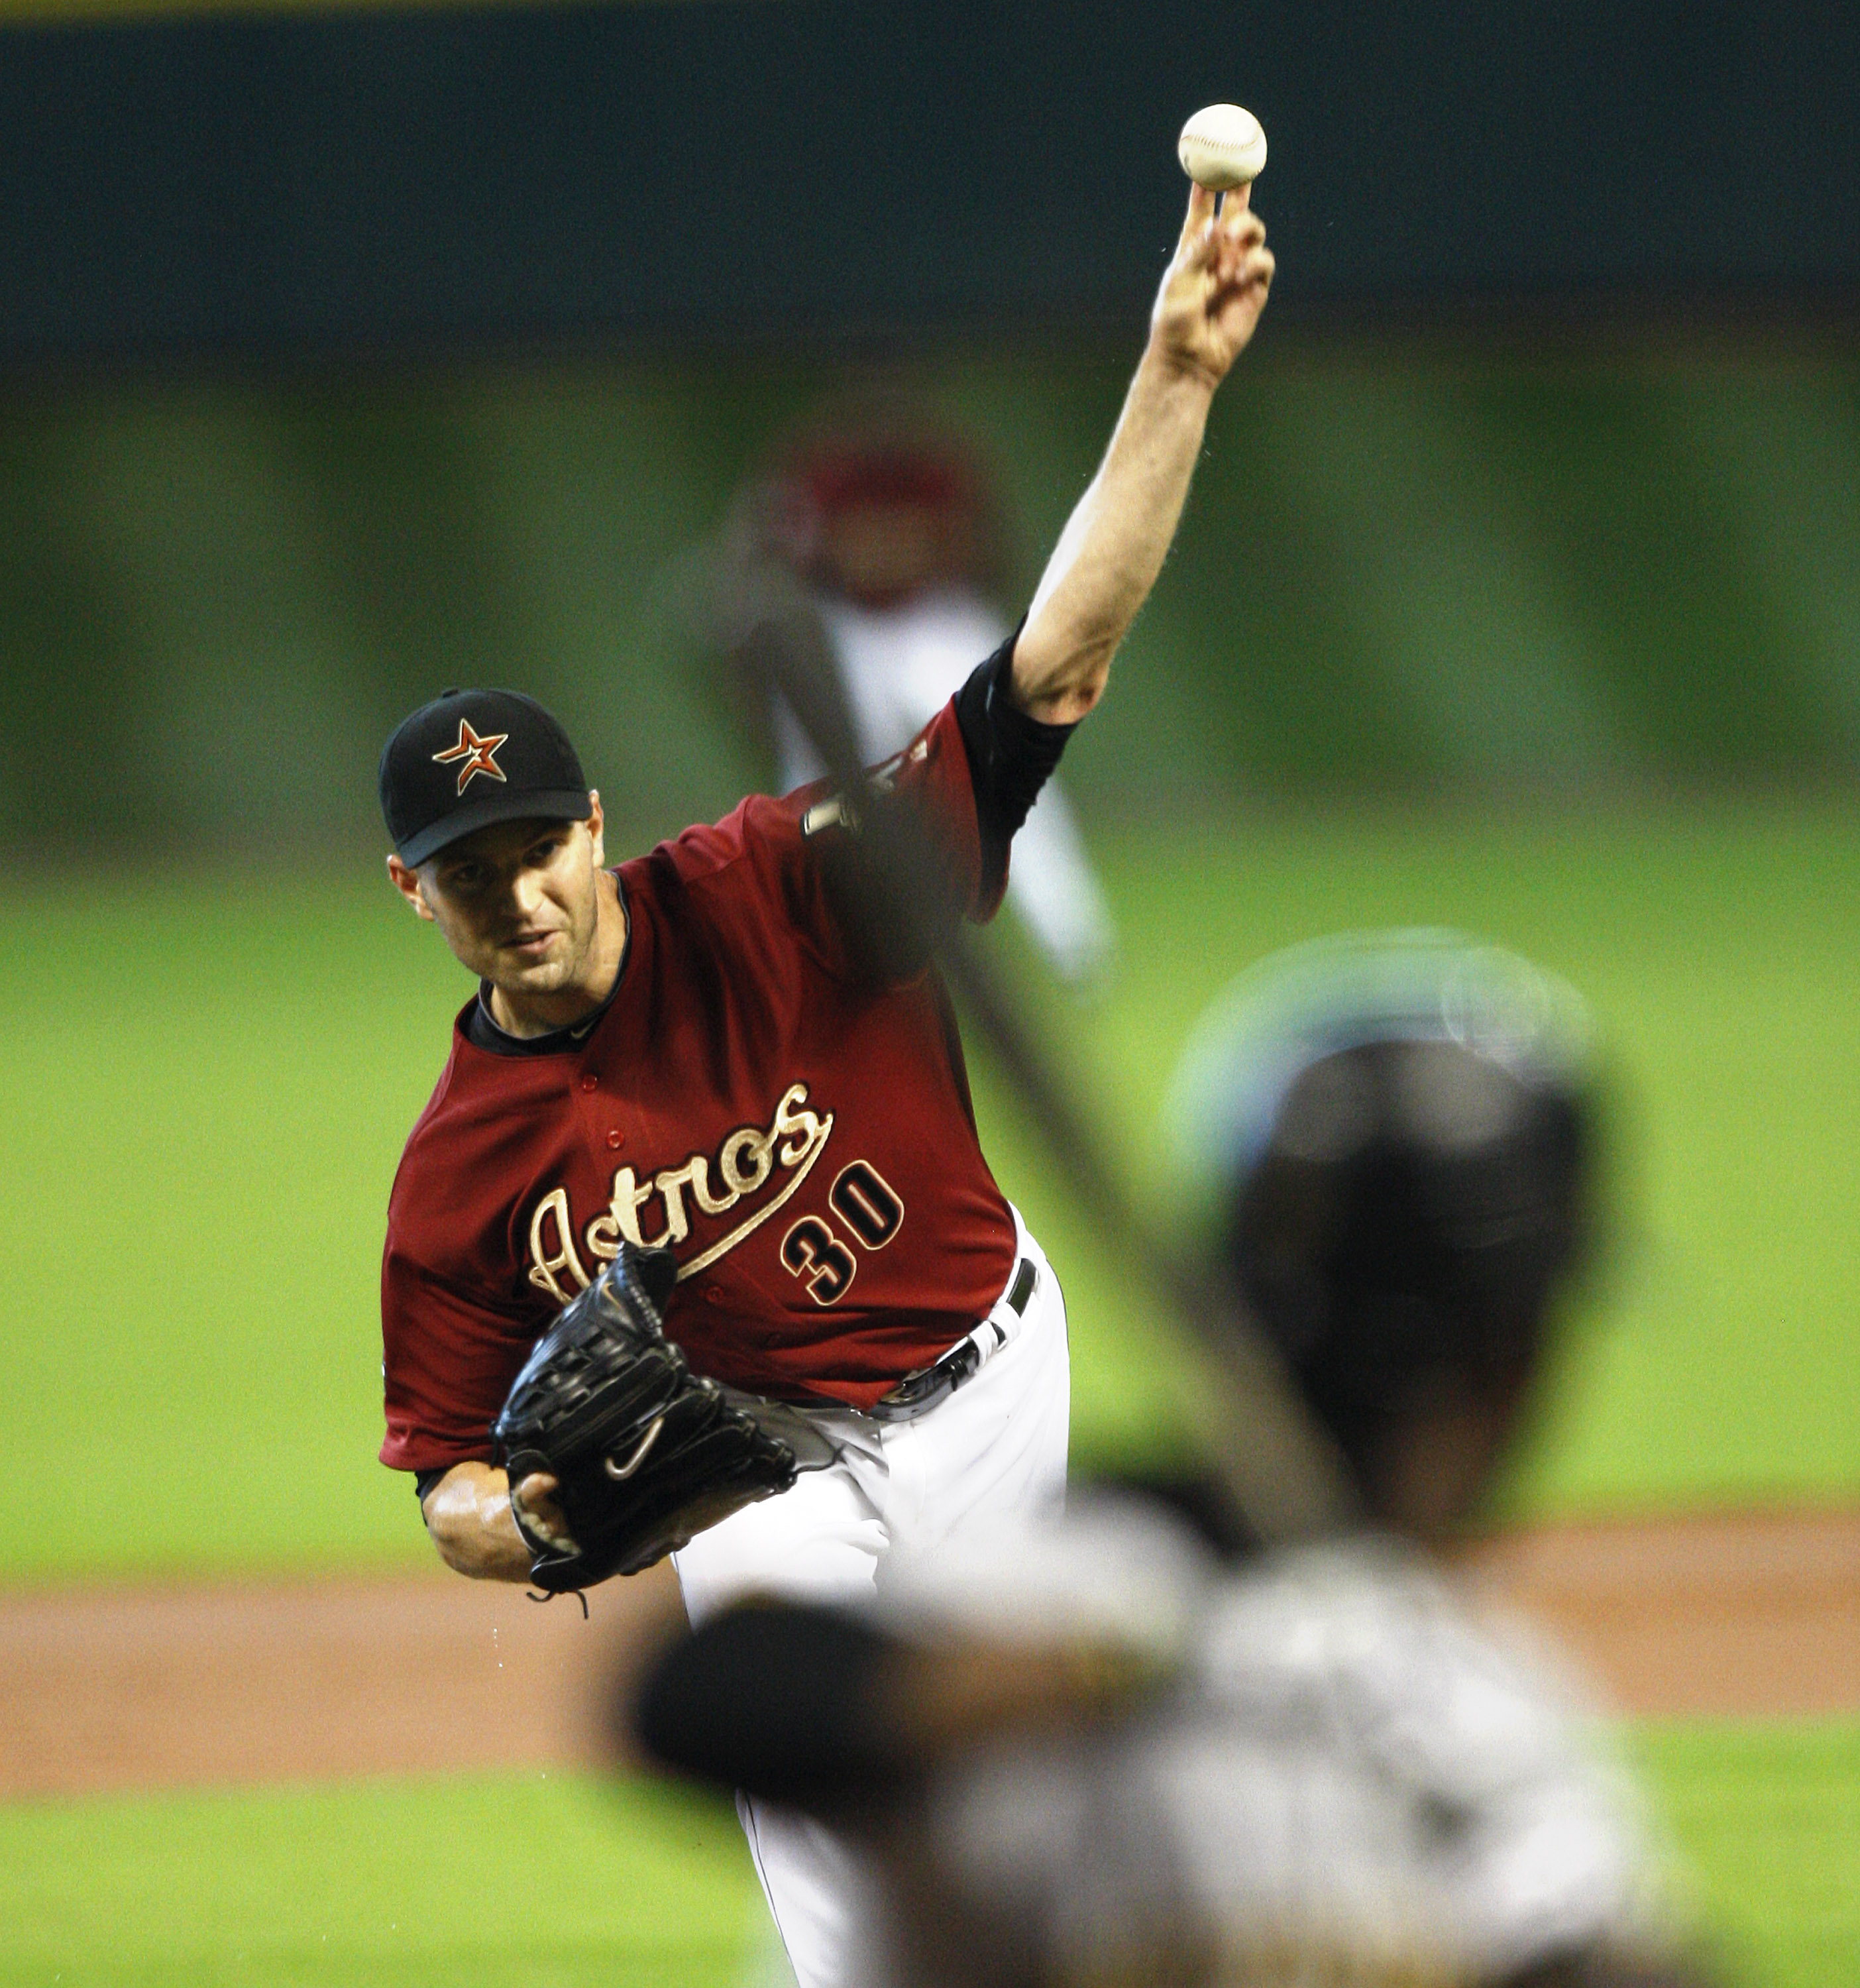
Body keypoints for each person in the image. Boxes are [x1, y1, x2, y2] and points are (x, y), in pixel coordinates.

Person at [373, 177, 1275, 1988]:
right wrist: (532, 1521)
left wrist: (1170, 378)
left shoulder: (787, 884)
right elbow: (445, 1482)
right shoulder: (458, 1179)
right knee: (842, 1898)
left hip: (993, 1389)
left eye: (537, 846)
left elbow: (1048, 677)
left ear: (592, 826)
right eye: (473, 872)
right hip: (764, 1479)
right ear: (415, 892)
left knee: (1057, 1866)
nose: (520, 894)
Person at [631, 936, 1714, 1988]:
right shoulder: (1069, 1587)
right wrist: (1131, 1665)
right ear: (1504, 1364)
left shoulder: (1459, 1704)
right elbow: (701, 1700)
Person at [726, 413, 1117, 985]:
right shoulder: (821, 470)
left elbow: (992, 556)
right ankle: (798, 936)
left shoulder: (937, 468)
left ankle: (1072, 939)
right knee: (815, 779)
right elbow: (763, 549)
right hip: (848, 629)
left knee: (1013, 763)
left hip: (936, 622)